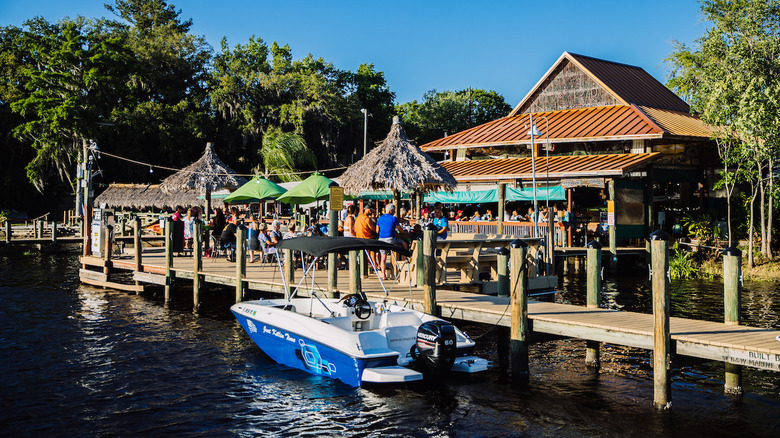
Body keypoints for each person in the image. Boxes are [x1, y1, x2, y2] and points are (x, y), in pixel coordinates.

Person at [376, 204, 407, 281]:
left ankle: (384, 275)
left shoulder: (380, 218)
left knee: (383, 258)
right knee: (404, 244)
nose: (394, 212)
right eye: (394, 210)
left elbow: (377, 231)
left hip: (381, 239)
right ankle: (404, 262)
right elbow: (400, 230)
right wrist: (405, 232)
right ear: (390, 210)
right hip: (390, 239)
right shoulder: (394, 218)